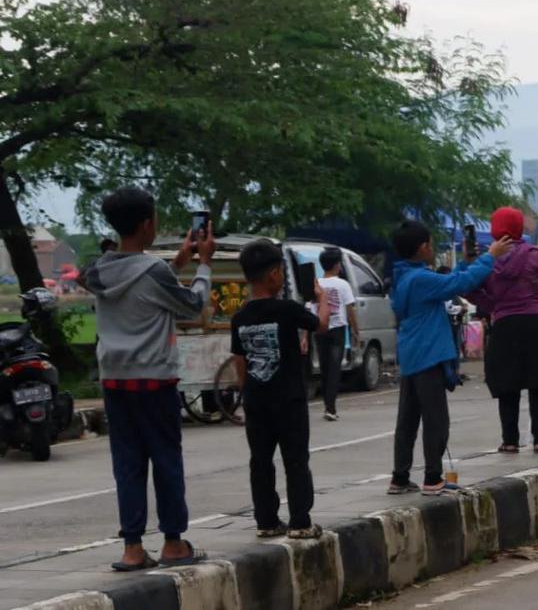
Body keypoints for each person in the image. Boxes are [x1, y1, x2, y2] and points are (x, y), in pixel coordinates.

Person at [83, 187, 213, 571]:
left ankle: (133, 547)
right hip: (155, 381)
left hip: (115, 381)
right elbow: (192, 305)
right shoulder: (152, 270)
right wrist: (202, 265)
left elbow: (139, 288)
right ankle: (173, 543)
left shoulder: (99, 270)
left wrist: (178, 261)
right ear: (146, 225)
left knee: (128, 465)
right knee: (166, 460)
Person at [388, 221, 513, 495]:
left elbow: (447, 283)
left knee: (408, 419)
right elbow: (460, 284)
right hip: (428, 354)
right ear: (423, 247)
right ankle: (433, 478)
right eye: (431, 244)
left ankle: (400, 476)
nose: (432, 249)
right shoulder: (420, 279)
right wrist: (490, 256)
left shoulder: (404, 276)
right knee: (436, 419)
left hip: (411, 354)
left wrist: (467, 262)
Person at [230, 240, 330, 539]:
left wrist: (245, 393)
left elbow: (240, 361)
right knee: (295, 459)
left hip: (256, 399)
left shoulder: (240, 317)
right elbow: (321, 325)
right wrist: (321, 298)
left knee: (260, 461)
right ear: (273, 274)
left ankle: (267, 521)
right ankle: (300, 521)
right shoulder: (287, 309)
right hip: (289, 398)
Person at [461, 207, 538, 454]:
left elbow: (468, 287)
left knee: (508, 385)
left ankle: (509, 441)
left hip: (505, 325)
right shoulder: (532, 254)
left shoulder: (488, 260)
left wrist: (494, 305)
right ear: (519, 227)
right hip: (537, 322)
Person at [311, 247, 357, 422]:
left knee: (324, 368)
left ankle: (328, 406)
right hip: (337, 330)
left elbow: (311, 308)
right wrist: (355, 331)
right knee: (334, 368)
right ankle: (330, 407)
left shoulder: (316, 283)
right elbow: (350, 310)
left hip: (320, 329)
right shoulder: (343, 284)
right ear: (338, 265)